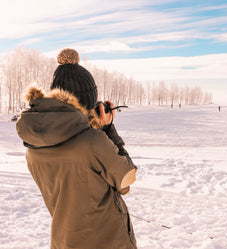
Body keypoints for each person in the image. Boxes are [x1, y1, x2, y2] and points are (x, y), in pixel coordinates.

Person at [16, 48, 137, 249]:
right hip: (107, 242)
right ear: (88, 99)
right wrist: (107, 128)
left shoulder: (33, 144)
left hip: (63, 241)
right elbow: (127, 178)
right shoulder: (93, 142)